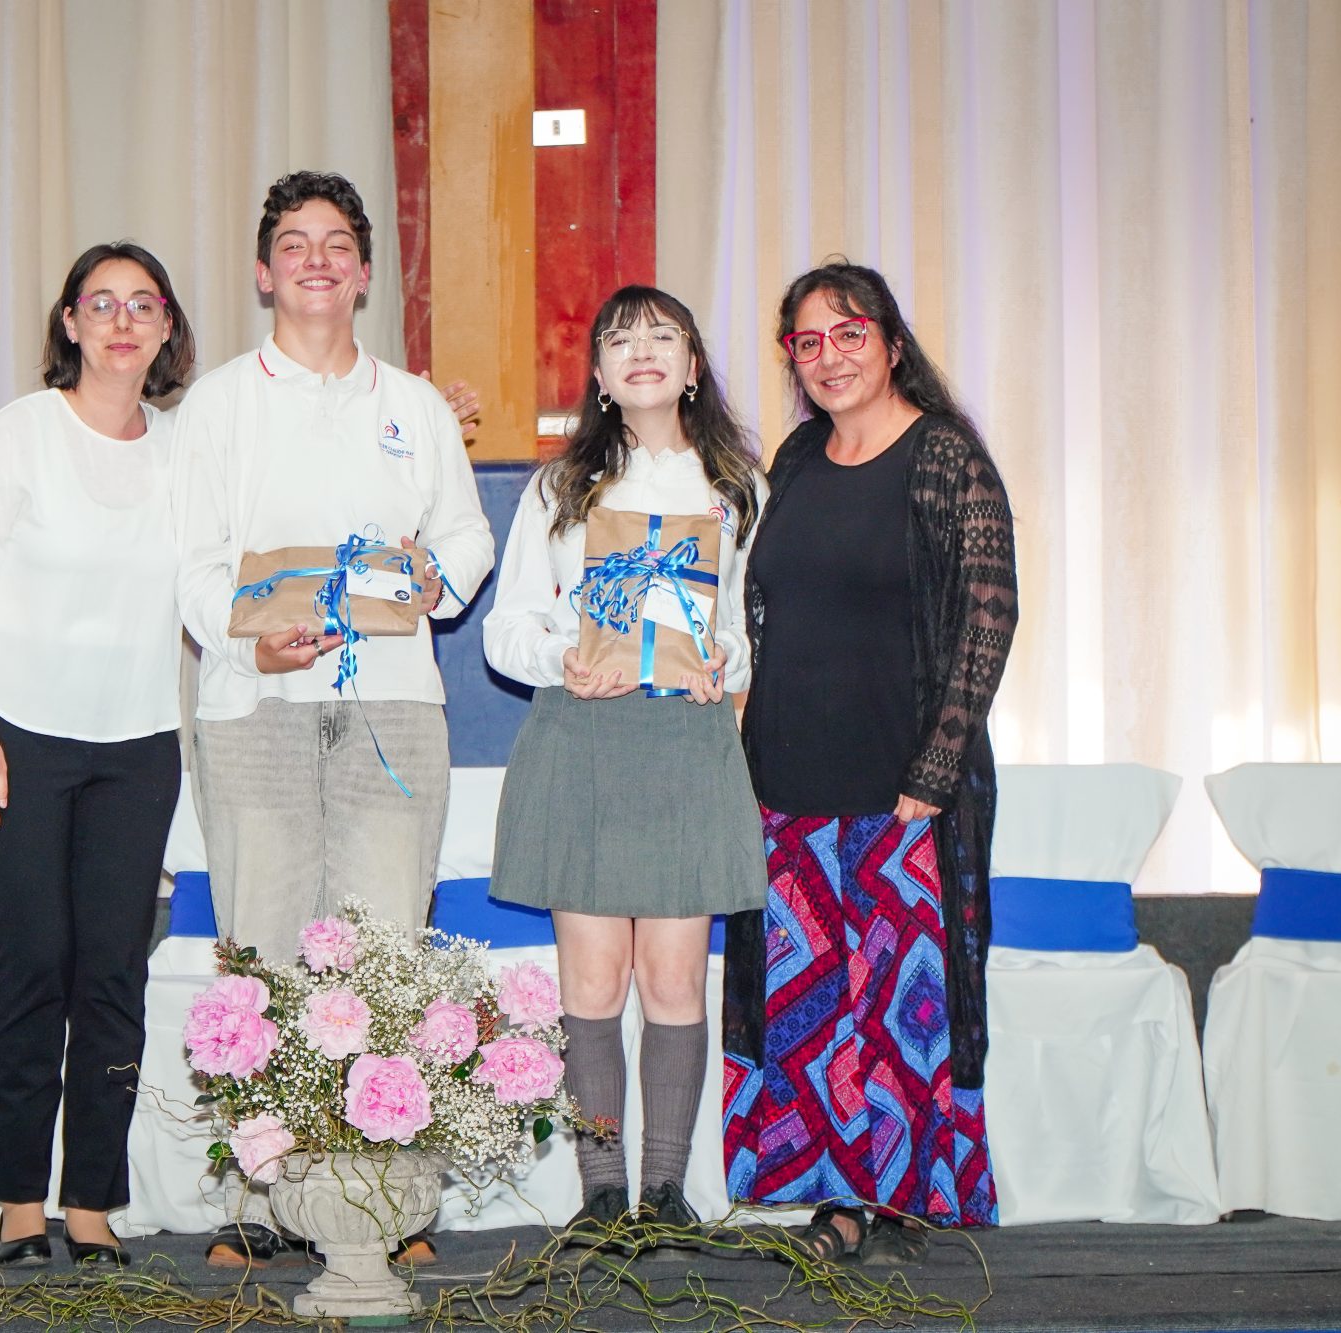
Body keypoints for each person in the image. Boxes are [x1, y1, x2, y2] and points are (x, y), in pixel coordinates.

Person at [171, 170, 495, 1267]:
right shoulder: (217, 405)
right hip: (255, 704)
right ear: (264, 273)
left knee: (383, 950)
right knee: (261, 950)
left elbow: (466, 538)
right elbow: (194, 561)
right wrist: (245, 640)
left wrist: (431, 580)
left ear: (363, 273)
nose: (316, 259)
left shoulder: (412, 406)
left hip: (391, 706)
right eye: (294, 244)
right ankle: (255, 1201)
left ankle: (384, 1204)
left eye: (336, 244)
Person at [719, 262, 1018, 1266]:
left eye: (849, 334)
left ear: (891, 342)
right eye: (807, 341)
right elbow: (767, 613)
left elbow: (988, 618)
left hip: (900, 793)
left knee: (900, 1009)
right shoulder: (798, 457)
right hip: (785, 784)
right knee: (809, 1007)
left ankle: (901, 1197)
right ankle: (832, 1194)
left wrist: (934, 771)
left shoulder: (945, 458)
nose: (830, 357)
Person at [483, 286, 767, 1242]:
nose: (641, 351)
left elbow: (749, 630)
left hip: (688, 740)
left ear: (692, 366)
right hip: (584, 737)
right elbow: (506, 629)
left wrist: (726, 663)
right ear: (600, 375)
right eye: (619, 339)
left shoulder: (738, 489)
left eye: (662, 336)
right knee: (595, 982)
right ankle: (603, 1191)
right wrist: (562, 655)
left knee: (676, 981)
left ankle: (667, 1194)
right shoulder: (561, 488)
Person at [0, 242, 194, 1268]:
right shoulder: (22, 433)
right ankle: (16, 1198)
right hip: (15, 739)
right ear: (71, 322)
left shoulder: (183, 450)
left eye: (143, 304)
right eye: (102, 303)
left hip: (137, 748)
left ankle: (91, 1200)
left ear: (166, 327)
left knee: (113, 975)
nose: (122, 322)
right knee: (37, 962)